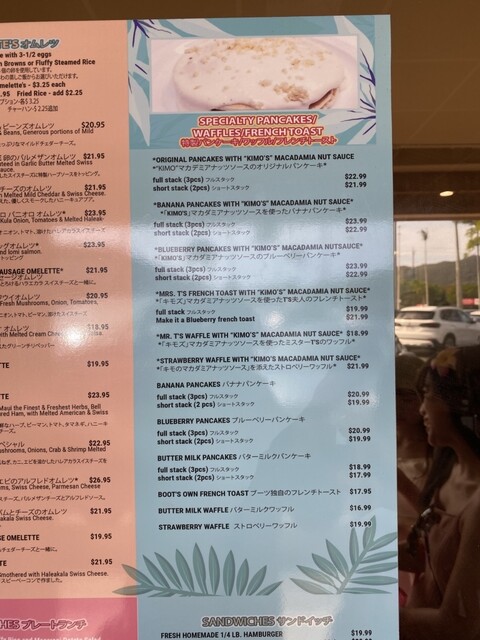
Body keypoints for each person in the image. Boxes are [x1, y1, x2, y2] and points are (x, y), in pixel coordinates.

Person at [399, 346, 480, 640]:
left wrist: (372, 613)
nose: (421, 409)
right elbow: (431, 556)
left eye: (428, 396)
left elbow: (458, 626)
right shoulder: (449, 468)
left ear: (462, 405)